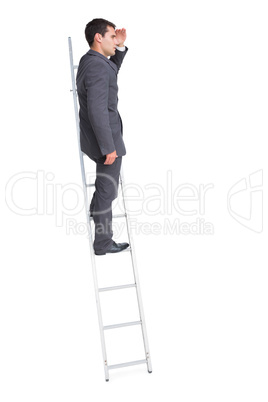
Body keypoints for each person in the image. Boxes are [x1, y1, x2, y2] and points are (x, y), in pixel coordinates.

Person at [76, 18, 129, 255]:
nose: (114, 41)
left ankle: (95, 209)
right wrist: (108, 147)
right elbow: (97, 109)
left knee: (106, 189)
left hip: (98, 137)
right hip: (105, 140)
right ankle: (103, 243)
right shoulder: (96, 65)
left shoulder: (93, 61)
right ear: (99, 37)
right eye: (110, 37)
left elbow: (112, 69)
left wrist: (119, 47)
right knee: (108, 191)